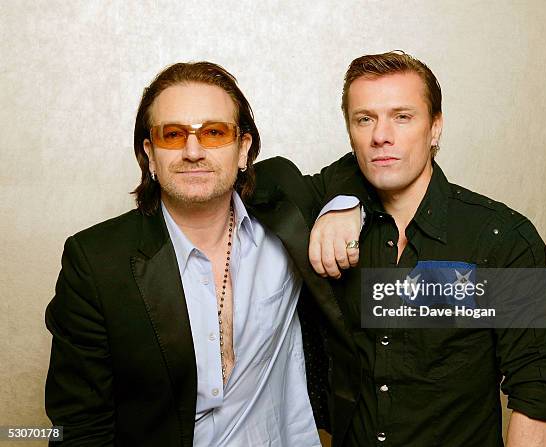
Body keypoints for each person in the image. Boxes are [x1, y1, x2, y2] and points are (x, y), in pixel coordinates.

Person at [45, 61, 354, 446]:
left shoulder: (285, 207)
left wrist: (345, 207)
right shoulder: (95, 262)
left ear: (244, 150)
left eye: (213, 132)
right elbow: (78, 427)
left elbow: (373, 159)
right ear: (150, 154)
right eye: (173, 135)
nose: (193, 151)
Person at [301, 51, 546, 446]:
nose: (380, 135)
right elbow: (264, 181)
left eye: (402, 116)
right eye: (365, 119)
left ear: (435, 127)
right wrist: (343, 199)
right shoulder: (326, 217)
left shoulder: (500, 237)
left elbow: (536, 388)